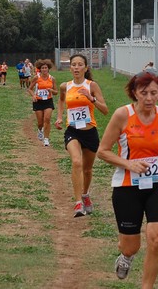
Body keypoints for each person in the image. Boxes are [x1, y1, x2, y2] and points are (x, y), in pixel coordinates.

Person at [97, 71, 158, 287]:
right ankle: (126, 256)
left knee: (157, 238)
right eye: (144, 93)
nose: (149, 98)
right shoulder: (123, 115)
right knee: (131, 245)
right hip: (127, 187)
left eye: (154, 93)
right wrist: (128, 164)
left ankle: (146, 286)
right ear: (134, 93)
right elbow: (103, 151)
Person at [54, 54, 108, 217]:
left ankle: (85, 195)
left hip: (90, 132)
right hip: (73, 131)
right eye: (73, 65)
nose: (76, 68)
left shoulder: (92, 86)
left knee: (87, 169)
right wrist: (59, 117)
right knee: (76, 162)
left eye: (79, 65)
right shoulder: (65, 86)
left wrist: (90, 98)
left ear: (86, 68)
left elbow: (105, 110)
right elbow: (62, 100)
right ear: (70, 68)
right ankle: (78, 203)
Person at [27, 59, 58, 146]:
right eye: (42, 68)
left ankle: (46, 139)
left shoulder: (52, 79)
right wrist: (33, 95)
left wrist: (51, 90)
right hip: (38, 101)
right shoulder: (36, 78)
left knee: (47, 119)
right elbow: (29, 89)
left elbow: (56, 92)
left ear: (48, 69)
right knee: (40, 122)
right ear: (40, 69)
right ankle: (40, 130)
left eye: (46, 68)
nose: (44, 69)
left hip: (48, 101)